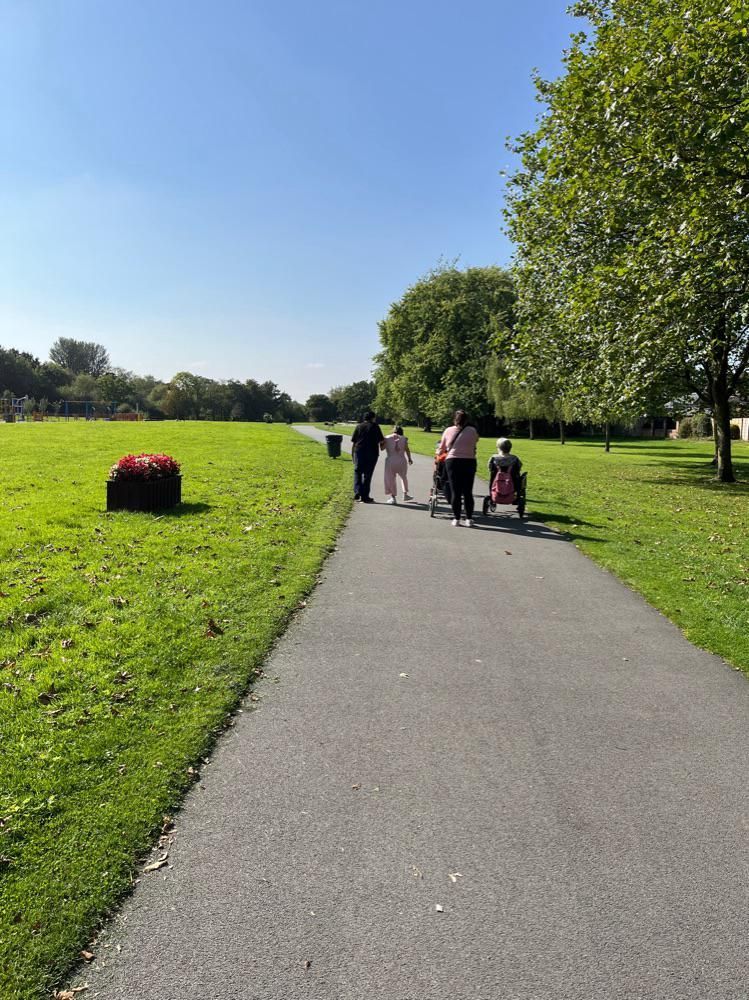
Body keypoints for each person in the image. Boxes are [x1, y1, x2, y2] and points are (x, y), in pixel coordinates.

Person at [437, 409, 479, 526]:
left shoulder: (448, 430)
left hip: (453, 461)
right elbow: (475, 442)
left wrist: (439, 453)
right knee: (467, 492)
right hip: (469, 461)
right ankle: (469, 518)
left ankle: (456, 518)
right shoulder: (472, 430)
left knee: (455, 491)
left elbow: (442, 448)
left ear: (455, 419)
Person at [351, 410, 385, 503]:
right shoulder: (375, 426)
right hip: (372, 453)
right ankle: (365, 496)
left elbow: (354, 441)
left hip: (359, 451)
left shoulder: (359, 426)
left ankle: (357, 491)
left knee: (357, 471)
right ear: (373, 418)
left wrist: (353, 454)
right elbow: (381, 441)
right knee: (367, 474)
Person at [382, 425, 414, 504]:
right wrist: (409, 458)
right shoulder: (404, 438)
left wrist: (382, 442)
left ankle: (393, 498)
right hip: (401, 460)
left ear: (393, 430)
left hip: (390, 460)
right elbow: (407, 449)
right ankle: (405, 494)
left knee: (390, 479)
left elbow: (382, 448)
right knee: (403, 477)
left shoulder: (387, 438)